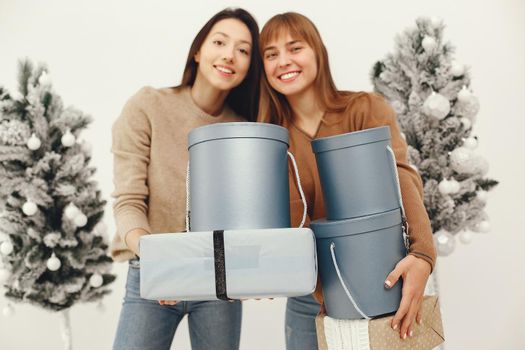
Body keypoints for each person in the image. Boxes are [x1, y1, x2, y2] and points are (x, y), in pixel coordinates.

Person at [257, 12, 437, 349]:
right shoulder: (271, 142)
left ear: (317, 53)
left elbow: (399, 175)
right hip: (310, 297)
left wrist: (423, 255)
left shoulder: (364, 109)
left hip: (384, 283)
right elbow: (294, 222)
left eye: (294, 48)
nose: (283, 61)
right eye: (271, 54)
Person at [110, 8, 261, 350]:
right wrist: (155, 259)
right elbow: (129, 202)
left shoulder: (244, 129)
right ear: (198, 50)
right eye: (220, 42)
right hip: (152, 268)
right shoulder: (147, 106)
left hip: (218, 278)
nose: (229, 55)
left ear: (250, 66)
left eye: (243, 50)